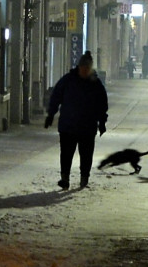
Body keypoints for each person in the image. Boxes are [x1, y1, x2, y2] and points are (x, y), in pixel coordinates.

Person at [45, 52, 108, 190]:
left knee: (86, 155)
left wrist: (102, 122)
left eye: (87, 69)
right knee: (66, 154)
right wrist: (50, 114)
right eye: (83, 68)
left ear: (90, 68)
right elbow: (56, 96)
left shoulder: (96, 84)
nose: (84, 71)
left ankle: (84, 178)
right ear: (79, 67)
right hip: (68, 125)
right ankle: (65, 178)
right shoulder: (68, 80)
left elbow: (102, 105)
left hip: (87, 127)